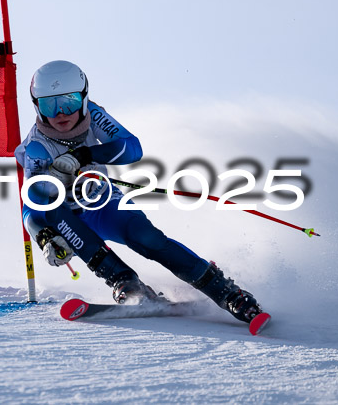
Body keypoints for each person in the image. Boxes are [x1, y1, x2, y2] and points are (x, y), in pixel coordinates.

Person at [15, 60, 264, 323]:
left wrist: (83, 154)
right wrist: (43, 237)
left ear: (84, 98)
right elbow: (33, 203)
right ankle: (125, 282)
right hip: (69, 222)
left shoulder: (94, 115)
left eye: (70, 101)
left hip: (102, 203)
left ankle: (226, 292)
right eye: (49, 105)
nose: (60, 113)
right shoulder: (36, 148)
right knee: (56, 212)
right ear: (37, 106)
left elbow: (132, 148)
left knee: (146, 237)